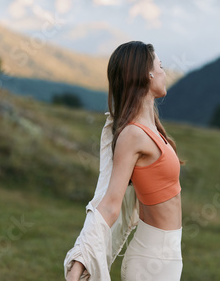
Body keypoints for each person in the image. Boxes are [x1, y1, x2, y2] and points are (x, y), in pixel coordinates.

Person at [66, 41, 186, 281]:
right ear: (147, 74)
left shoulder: (150, 126)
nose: (164, 72)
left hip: (166, 257)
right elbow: (109, 204)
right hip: (152, 260)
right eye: (160, 65)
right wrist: (80, 260)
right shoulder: (132, 135)